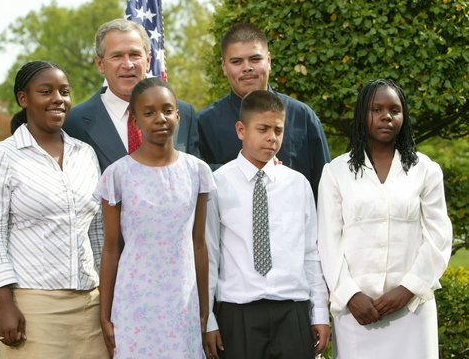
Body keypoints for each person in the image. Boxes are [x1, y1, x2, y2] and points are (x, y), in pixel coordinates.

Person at [0, 61, 107, 358]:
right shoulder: (3, 155)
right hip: (32, 304)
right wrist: (6, 304)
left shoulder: (84, 154)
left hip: (90, 304)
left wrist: (106, 297)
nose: (57, 98)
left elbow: (97, 230)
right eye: (45, 91)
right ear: (24, 99)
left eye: (64, 91)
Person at [317, 79, 452, 358]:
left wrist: (408, 288)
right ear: (361, 116)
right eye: (375, 109)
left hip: (412, 311)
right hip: (357, 314)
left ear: (404, 116)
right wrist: (350, 295)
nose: (386, 116)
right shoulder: (335, 173)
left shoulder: (425, 170)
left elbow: (439, 236)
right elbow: (328, 242)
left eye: (394, 110)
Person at [204, 90, 330, 359]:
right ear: (241, 130)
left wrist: (319, 312)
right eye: (262, 129)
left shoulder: (298, 185)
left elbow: (311, 252)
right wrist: (208, 320)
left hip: (292, 310)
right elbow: (209, 254)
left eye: (278, 130)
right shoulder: (217, 184)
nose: (272, 138)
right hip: (237, 313)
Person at [95, 77, 215, 358]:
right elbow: (111, 248)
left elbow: (199, 243)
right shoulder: (117, 175)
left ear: (178, 115)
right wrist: (105, 314)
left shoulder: (197, 172)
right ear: (135, 121)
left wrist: (204, 307)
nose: (159, 118)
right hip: (134, 302)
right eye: (148, 113)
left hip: (182, 300)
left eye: (166, 110)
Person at [197, 23, 330, 199]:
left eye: (255, 59)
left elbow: (325, 189)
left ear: (268, 61)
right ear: (224, 67)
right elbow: (197, 181)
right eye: (236, 61)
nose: (247, 68)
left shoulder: (302, 117)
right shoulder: (206, 123)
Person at [64, 18, 200, 172]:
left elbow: (196, 178)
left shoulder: (184, 113)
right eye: (117, 56)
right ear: (100, 64)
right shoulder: (74, 123)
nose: (128, 65)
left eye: (135, 55)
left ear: (148, 60)